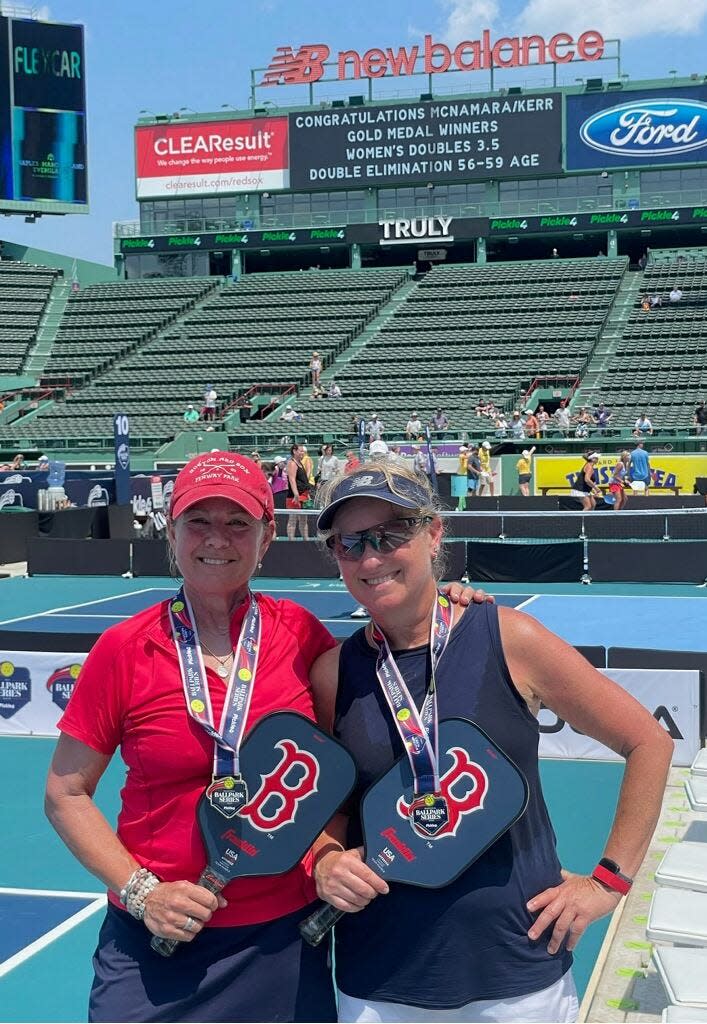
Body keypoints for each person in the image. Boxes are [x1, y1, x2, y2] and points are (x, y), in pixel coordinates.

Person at [311, 463, 672, 1024]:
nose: (371, 557)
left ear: (433, 535)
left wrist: (608, 882)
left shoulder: (509, 637)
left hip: (516, 974)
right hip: (380, 979)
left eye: (391, 534)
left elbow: (647, 741)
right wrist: (327, 859)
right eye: (350, 543)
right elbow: (334, 803)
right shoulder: (335, 672)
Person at [44, 452, 340, 1023]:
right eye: (198, 520)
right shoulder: (124, 648)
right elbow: (66, 794)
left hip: (281, 939)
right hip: (155, 942)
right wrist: (143, 893)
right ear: (171, 530)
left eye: (238, 523)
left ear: (267, 536)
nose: (217, 539)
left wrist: (449, 607)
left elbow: (349, 758)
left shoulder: (303, 636)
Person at [286, 443, 310, 540]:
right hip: (294, 496)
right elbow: (292, 479)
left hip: (303, 495)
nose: (302, 453)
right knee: (292, 519)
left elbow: (303, 480)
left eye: (303, 451)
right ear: (294, 451)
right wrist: (296, 494)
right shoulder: (292, 463)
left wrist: (307, 494)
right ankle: (291, 541)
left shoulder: (300, 463)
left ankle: (306, 539)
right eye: (300, 451)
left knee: (304, 520)